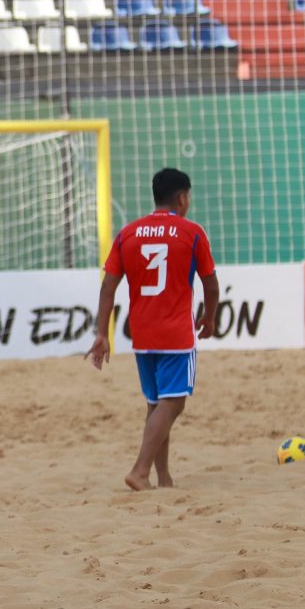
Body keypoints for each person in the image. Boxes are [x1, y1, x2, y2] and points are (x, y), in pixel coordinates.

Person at [85, 168, 219, 491]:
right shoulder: (192, 232)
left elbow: (108, 287)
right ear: (182, 198)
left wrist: (102, 333)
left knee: (156, 404)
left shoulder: (128, 233)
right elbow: (211, 285)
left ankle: (164, 478)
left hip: (142, 335)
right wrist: (210, 317)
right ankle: (141, 471)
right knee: (174, 404)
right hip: (176, 334)